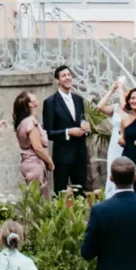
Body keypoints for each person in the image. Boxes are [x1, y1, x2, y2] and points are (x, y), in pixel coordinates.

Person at [42, 66, 91, 195]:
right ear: (57, 80)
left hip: (80, 154)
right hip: (62, 155)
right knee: (60, 193)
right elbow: (49, 132)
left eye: (69, 74)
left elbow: (81, 120)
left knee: (81, 193)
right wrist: (68, 132)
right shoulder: (50, 102)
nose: (68, 77)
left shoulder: (78, 99)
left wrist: (86, 127)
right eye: (63, 75)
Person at [12, 90, 52, 193]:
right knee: (38, 201)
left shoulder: (22, 122)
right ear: (30, 104)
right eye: (33, 97)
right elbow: (37, 147)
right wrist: (49, 161)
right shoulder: (31, 122)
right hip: (35, 165)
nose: (36, 98)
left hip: (29, 164)